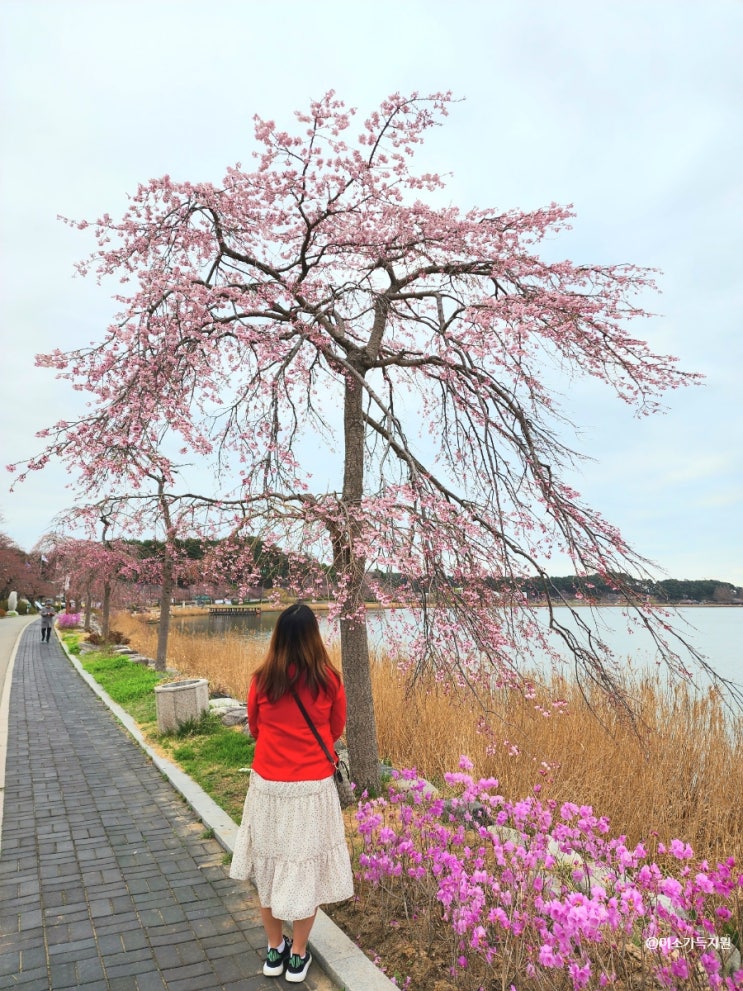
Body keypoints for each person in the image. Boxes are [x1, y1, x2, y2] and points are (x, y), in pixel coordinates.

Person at [229, 603, 353, 983]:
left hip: (268, 786)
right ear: (314, 636)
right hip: (312, 787)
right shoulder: (329, 680)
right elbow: (334, 729)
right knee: (306, 870)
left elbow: (254, 727)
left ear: (278, 635)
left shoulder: (262, 679)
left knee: (269, 868)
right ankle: (298, 956)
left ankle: (274, 948)